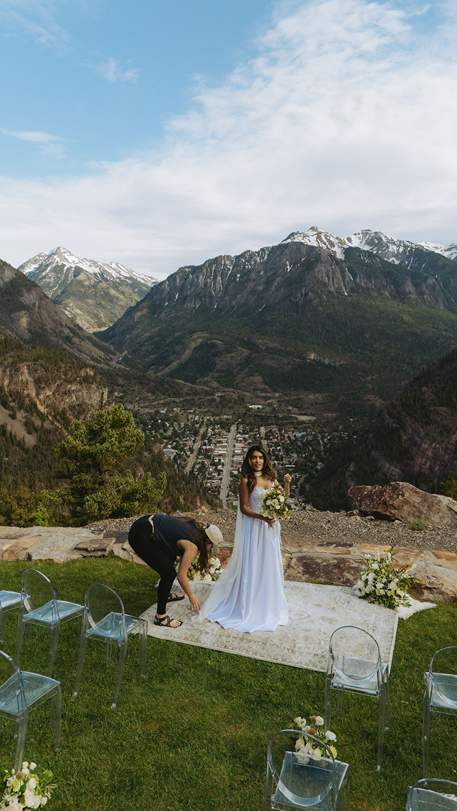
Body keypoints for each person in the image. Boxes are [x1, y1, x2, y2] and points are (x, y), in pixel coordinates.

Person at [199, 445, 291, 632]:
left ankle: (268, 601)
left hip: (269, 528)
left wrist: (287, 483)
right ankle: (249, 603)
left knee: (268, 562)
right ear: (249, 460)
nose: (257, 461)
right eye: (254, 457)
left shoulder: (272, 478)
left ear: (265, 460)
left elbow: (283, 498)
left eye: (260, 458)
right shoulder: (246, 481)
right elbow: (243, 509)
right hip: (255, 526)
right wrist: (262, 518)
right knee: (253, 562)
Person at [128, 513, 223, 628]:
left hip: (145, 523)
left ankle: (165, 594)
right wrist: (192, 596)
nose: (210, 549)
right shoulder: (192, 546)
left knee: (169, 560)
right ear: (207, 540)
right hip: (140, 534)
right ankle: (160, 617)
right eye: (211, 546)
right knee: (168, 573)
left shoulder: (195, 529)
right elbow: (181, 576)